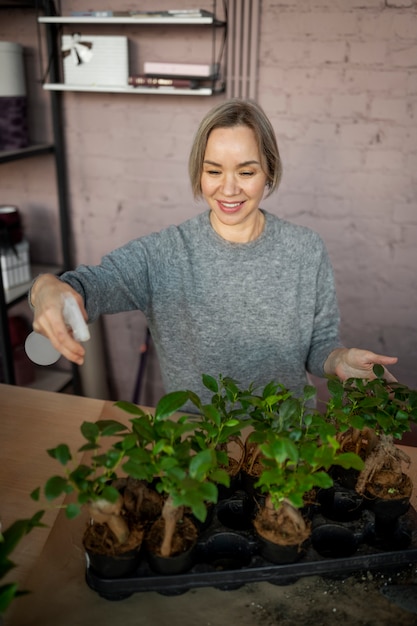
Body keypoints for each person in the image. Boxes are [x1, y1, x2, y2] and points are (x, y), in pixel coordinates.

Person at [29, 98, 397, 404]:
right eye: (214, 171)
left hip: (287, 444)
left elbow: (320, 346)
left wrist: (339, 360)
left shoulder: (305, 249)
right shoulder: (165, 254)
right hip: (196, 450)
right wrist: (47, 287)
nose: (229, 188)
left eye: (247, 172)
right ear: (199, 172)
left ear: (269, 170)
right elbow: (89, 287)